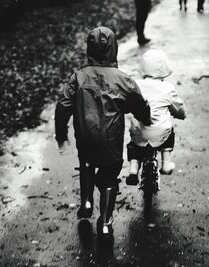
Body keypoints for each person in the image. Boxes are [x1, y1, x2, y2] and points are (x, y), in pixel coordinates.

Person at [55, 26, 152, 241]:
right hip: (111, 140)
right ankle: (106, 222)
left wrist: (61, 133)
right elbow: (139, 103)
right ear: (113, 49)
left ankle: (86, 202)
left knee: (87, 164)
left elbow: (63, 105)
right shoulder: (123, 80)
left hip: (85, 137)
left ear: (89, 48)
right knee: (109, 177)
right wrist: (146, 118)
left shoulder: (78, 77)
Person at [126, 49, 186, 186]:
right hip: (160, 133)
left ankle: (133, 169)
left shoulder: (136, 85)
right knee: (169, 130)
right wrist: (181, 114)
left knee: (134, 142)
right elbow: (178, 109)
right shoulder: (167, 88)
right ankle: (166, 163)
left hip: (139, 132)